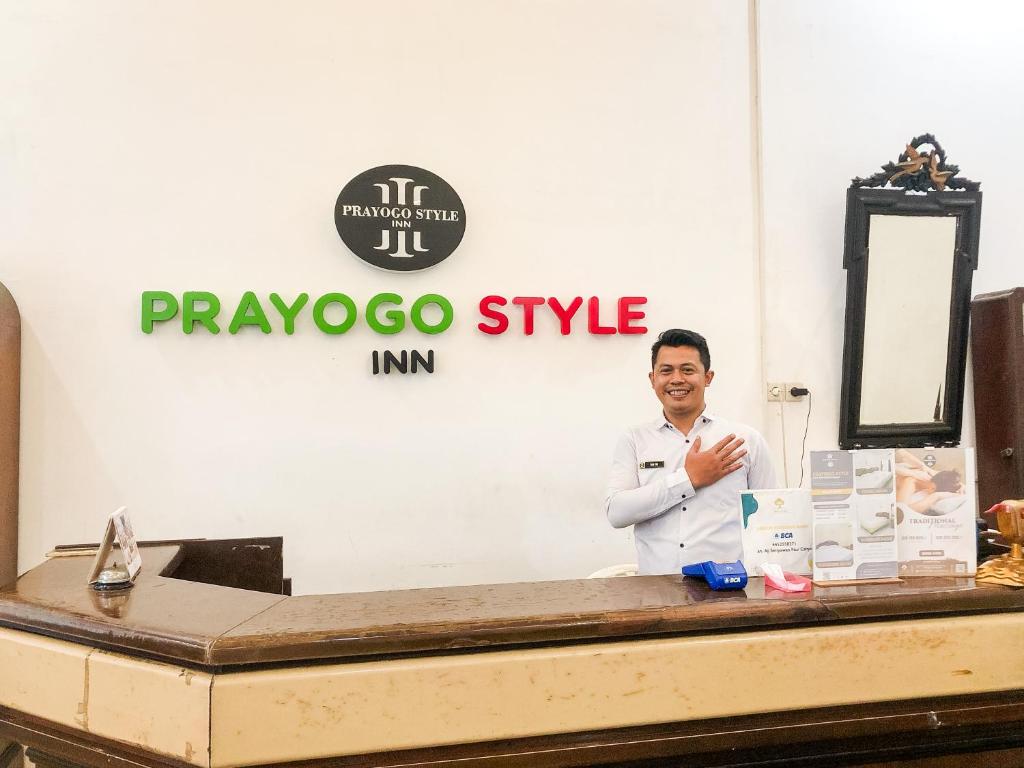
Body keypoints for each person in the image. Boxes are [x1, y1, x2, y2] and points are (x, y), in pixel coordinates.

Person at [605, 329, 777, 575]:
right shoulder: (634, 439)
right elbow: (617, 512)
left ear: (708, 377)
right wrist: (688, 479)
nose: (677, 379)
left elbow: (768, 521)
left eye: (687, 370)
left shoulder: (745, 440)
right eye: (666, 371)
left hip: (730, 590)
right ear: (652, 379)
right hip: (657, 591)